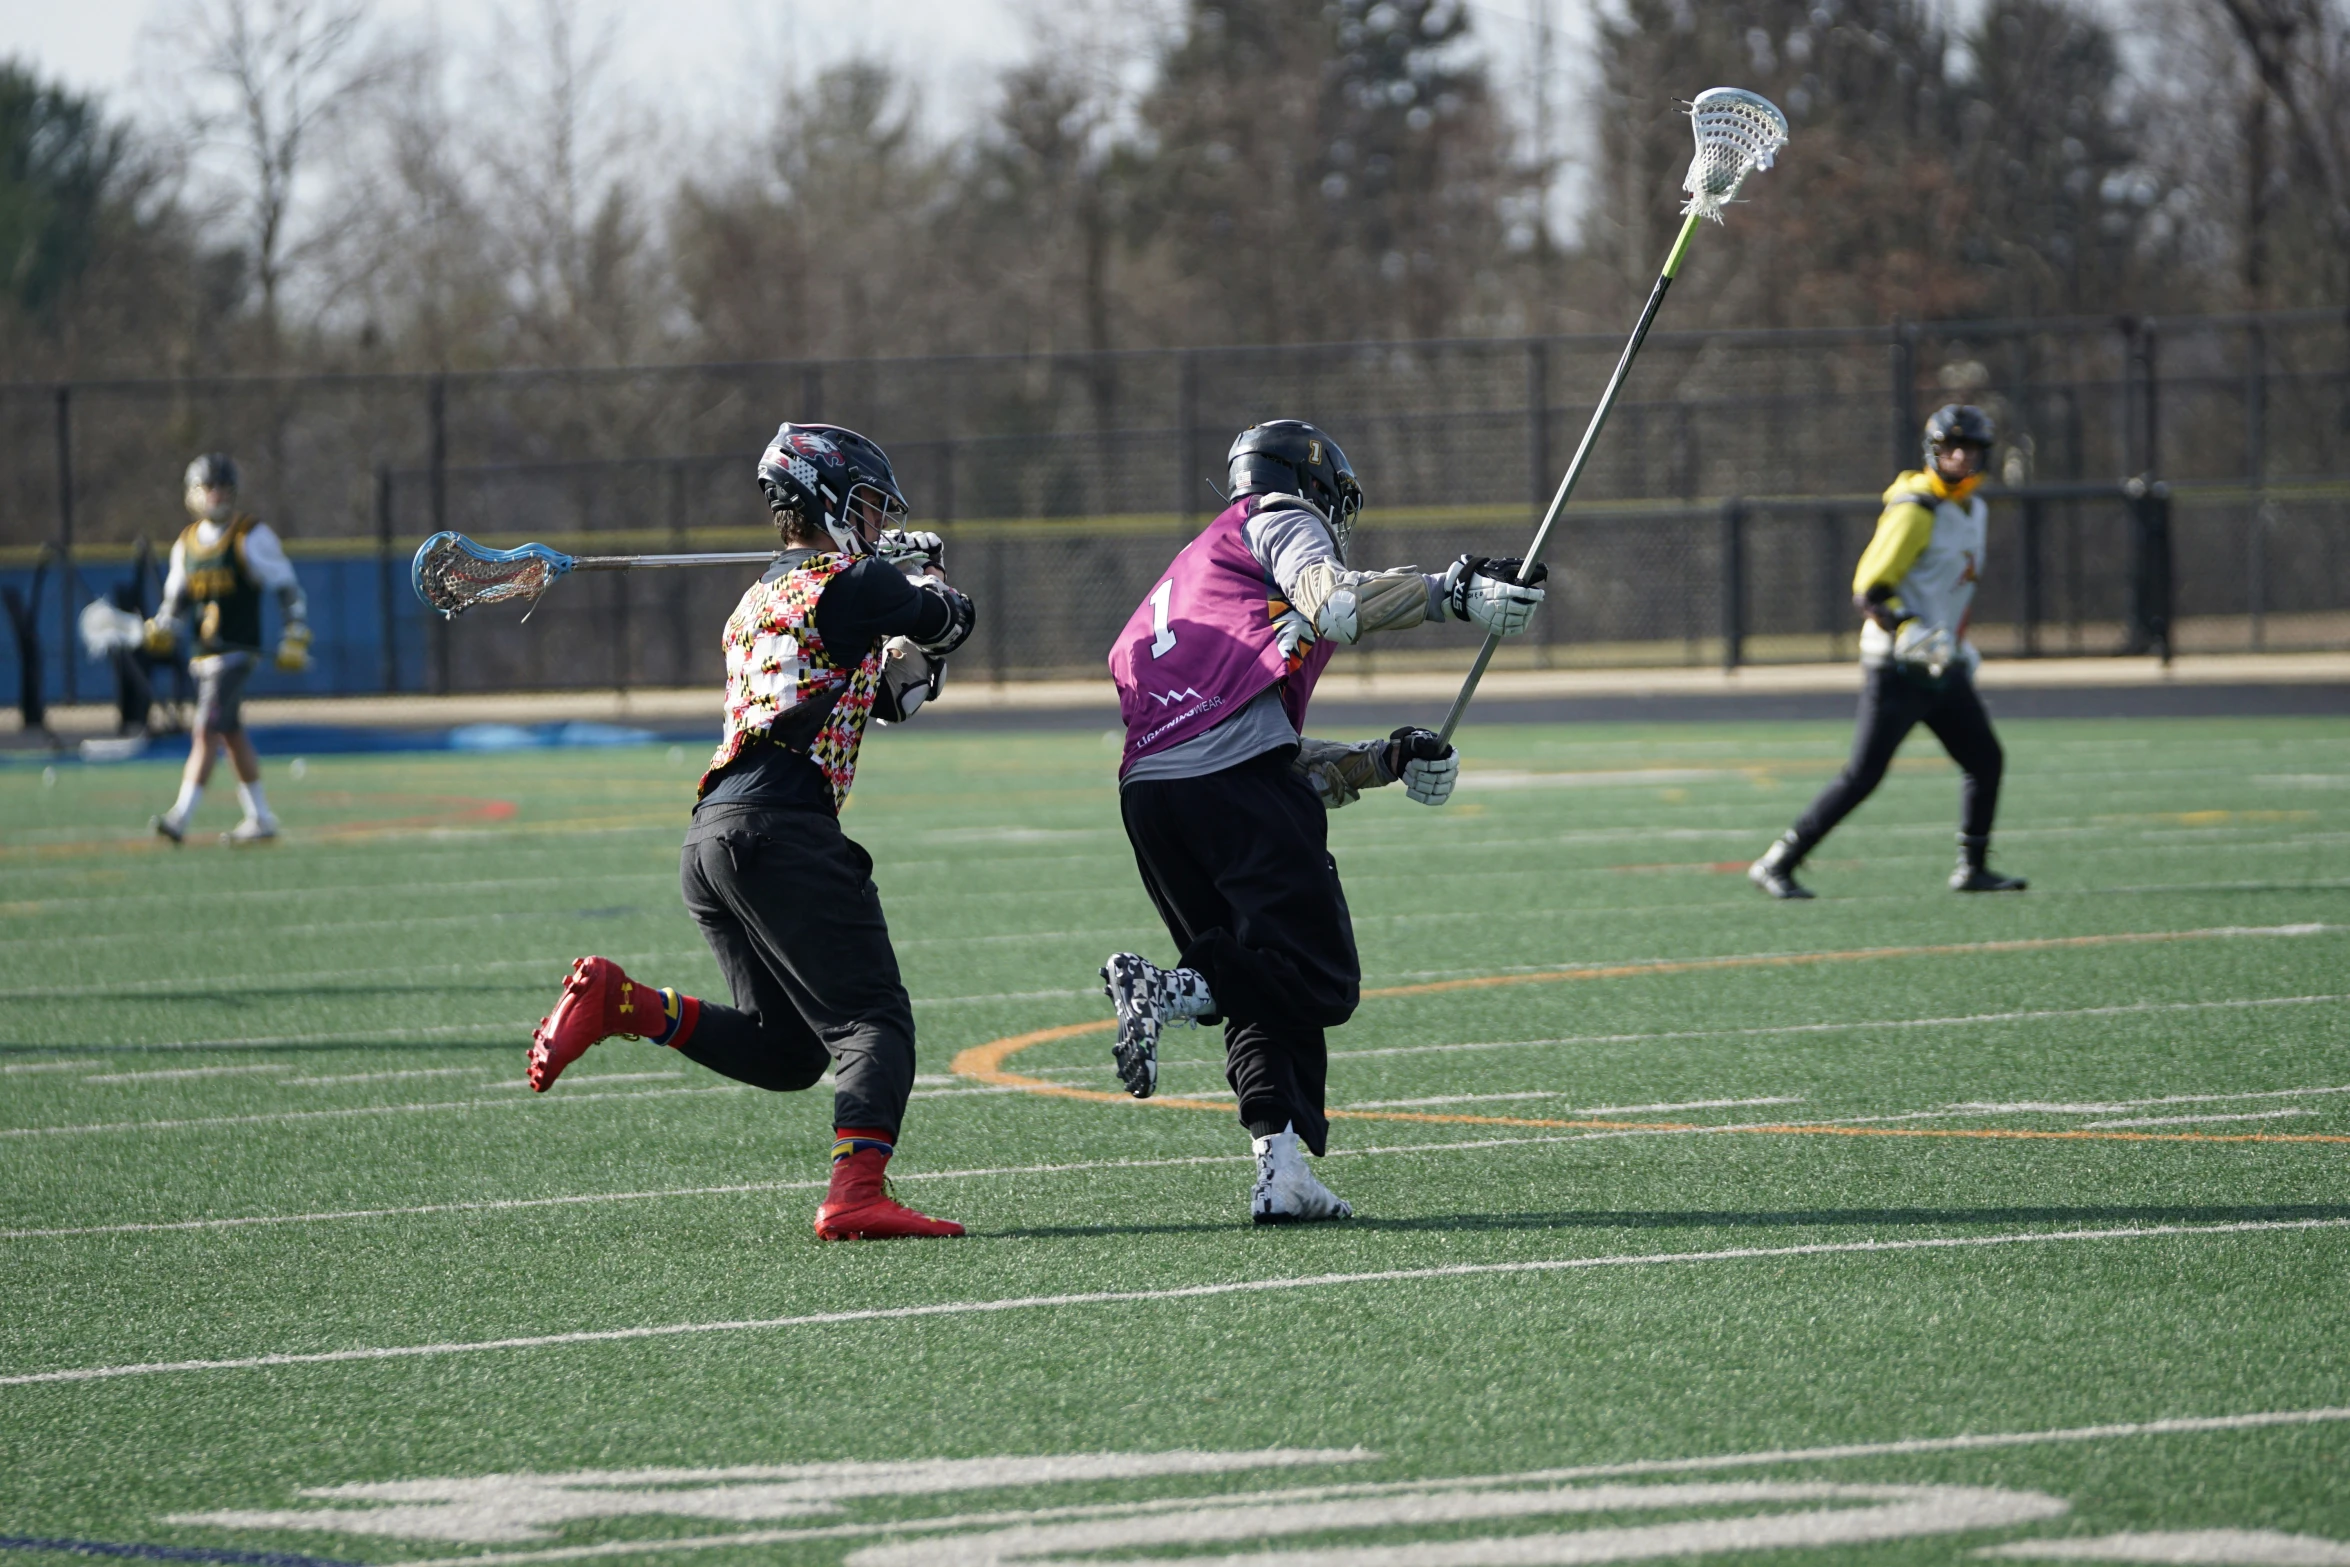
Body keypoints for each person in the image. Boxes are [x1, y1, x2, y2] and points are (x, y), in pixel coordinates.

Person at [528, 423, 977, 1241]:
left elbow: (889, 693)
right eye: (870, 506)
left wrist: (901, 600)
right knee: (874, 1019)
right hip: (780, 827)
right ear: (830, 498)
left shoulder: (759, 601)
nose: (877, 522)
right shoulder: (851, 583)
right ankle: (856, 1190)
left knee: (788, 1051)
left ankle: (625, 1003)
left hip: (712, 839)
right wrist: (930, 569)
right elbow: (952, 619)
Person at [1099, 420, 1548, 1224]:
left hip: (1153, 795)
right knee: (1322, 977)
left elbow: (1266, 747)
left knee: (1258, 979)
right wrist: (1455, 592)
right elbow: (1336, 603)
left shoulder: (1198, 568)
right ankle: (1166, 988)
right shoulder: (1278, 517)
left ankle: (1282, 1169)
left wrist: (1387, 757)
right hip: (1226, 779)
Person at [1749, 404, 2028, 899]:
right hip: (1898, 665)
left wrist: (1953, 646)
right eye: (1951, 448)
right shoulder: (1916, 506)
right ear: (1933, 452)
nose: (1961, 457)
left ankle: (1972, 868)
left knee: (1986, 760)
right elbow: (1870, 590)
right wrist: (1911, 629)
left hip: (1940, 661)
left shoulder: (1973, 508)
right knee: (1863, 776)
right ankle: (1778, 861)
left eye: (1971, 449)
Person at [146, 453, 311, 845]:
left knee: (205, 729)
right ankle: (261, 818)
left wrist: (296, 633)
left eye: (222, 486)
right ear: (193, 493)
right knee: (231, 733)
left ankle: (179, 818)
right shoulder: (185, 544)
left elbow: (287, 586)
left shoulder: (250, 535)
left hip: (237, 655)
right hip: (204, 656)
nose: (216, 494)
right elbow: (177, 601)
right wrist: (164, 627)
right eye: (208, 486)